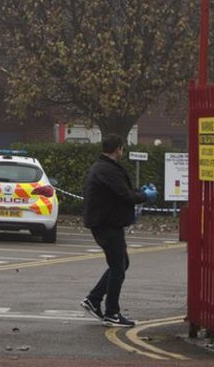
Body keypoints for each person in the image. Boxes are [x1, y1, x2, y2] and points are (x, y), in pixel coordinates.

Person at [80, 134, 156, 328]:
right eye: (122, 148)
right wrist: (145, 196)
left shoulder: (103, 167)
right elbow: (125, 195)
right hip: (108, 225)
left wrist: (140, 192)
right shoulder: (107, 170)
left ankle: (94, 299)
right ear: (118, 149)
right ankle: (112, 313)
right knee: (118, 268)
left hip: (105, 223)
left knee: (121, 264)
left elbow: (121, 192)